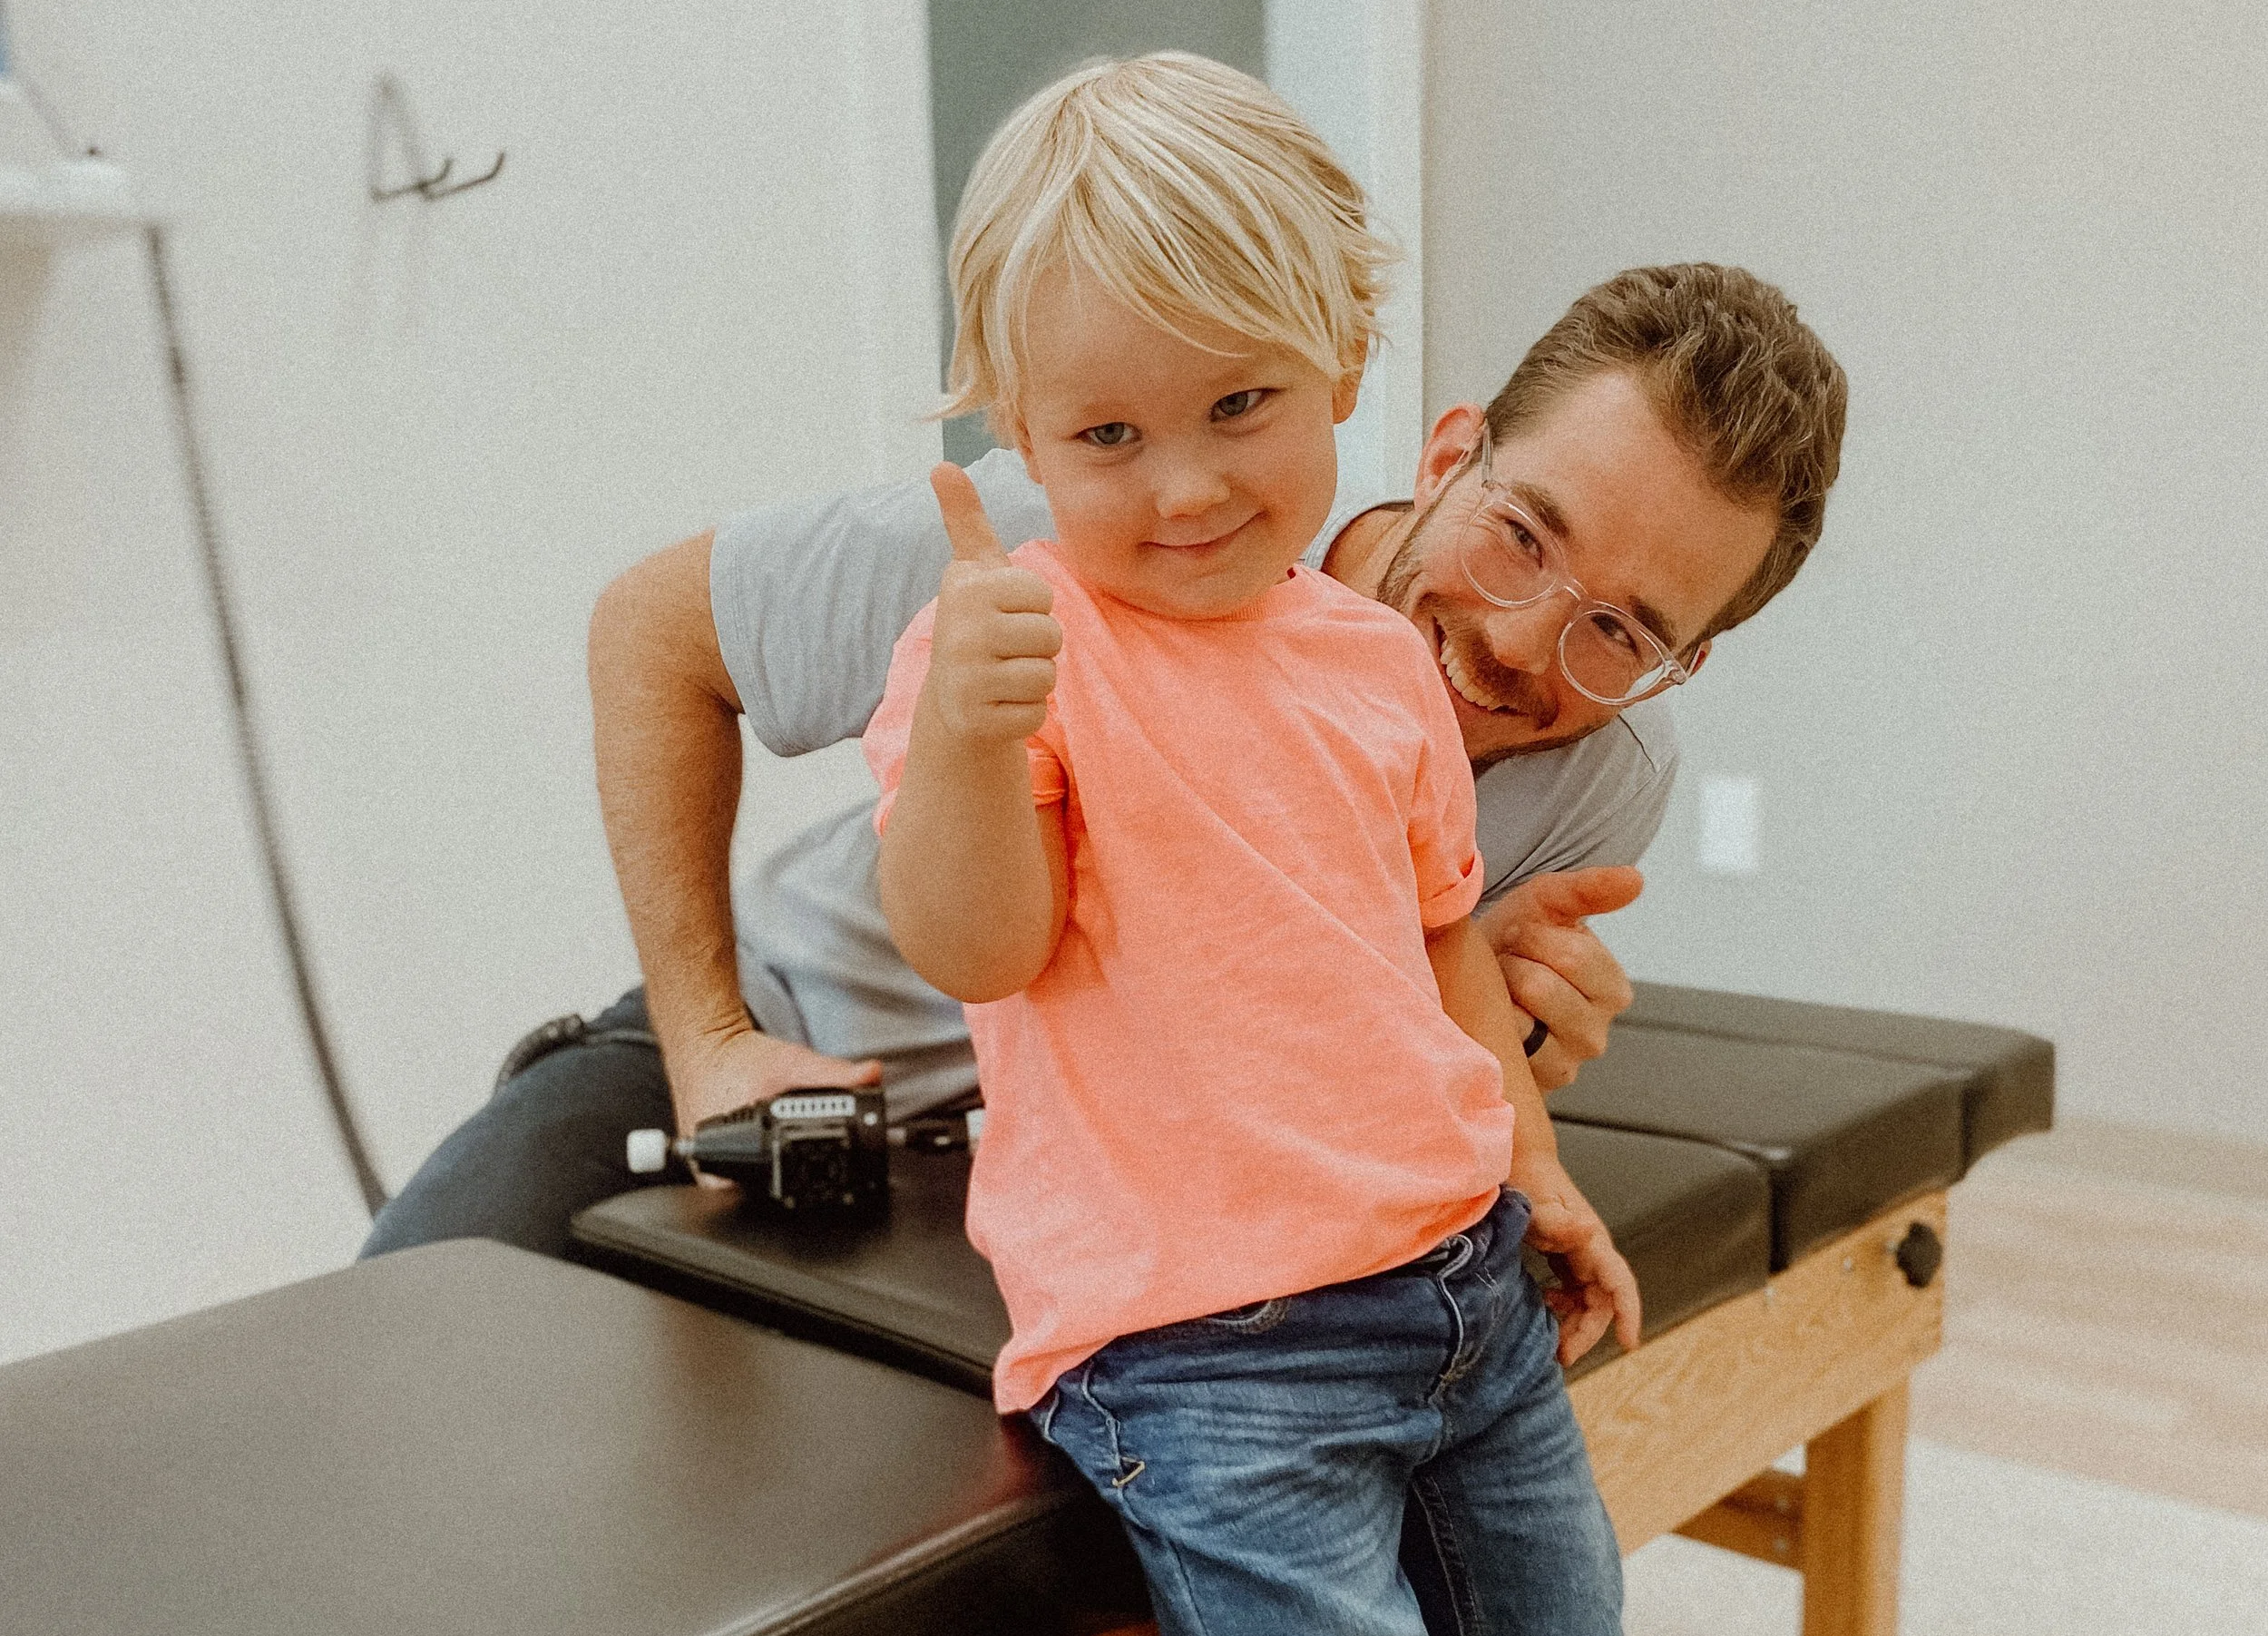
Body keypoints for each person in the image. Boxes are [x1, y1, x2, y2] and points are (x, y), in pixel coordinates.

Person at [865, 53, 1653, 1636]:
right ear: (1006, 422)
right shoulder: (1005, 652)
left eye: (1242, 407)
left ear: (1344, 370)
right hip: (1203, 1355)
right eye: (1106, 430)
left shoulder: (1368, 658)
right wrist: (971, 746)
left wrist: (1514, 1157)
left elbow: (1430, 945)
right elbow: (975, 942)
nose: (1184, 481)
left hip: (1449, 1295)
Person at [358, 253, 1844, 1269]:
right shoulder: (1056, 539)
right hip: (797, 1043)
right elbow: (649, 633)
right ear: (1450, 449)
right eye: (1523, 534)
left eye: (1622, 631)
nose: (1527, 646)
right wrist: (704, 1039)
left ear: (1680, 660)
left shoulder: (1599, 779)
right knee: (407, 1349)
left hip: (1099, 1188)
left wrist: (1501, 1042)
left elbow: (1353, 1055)